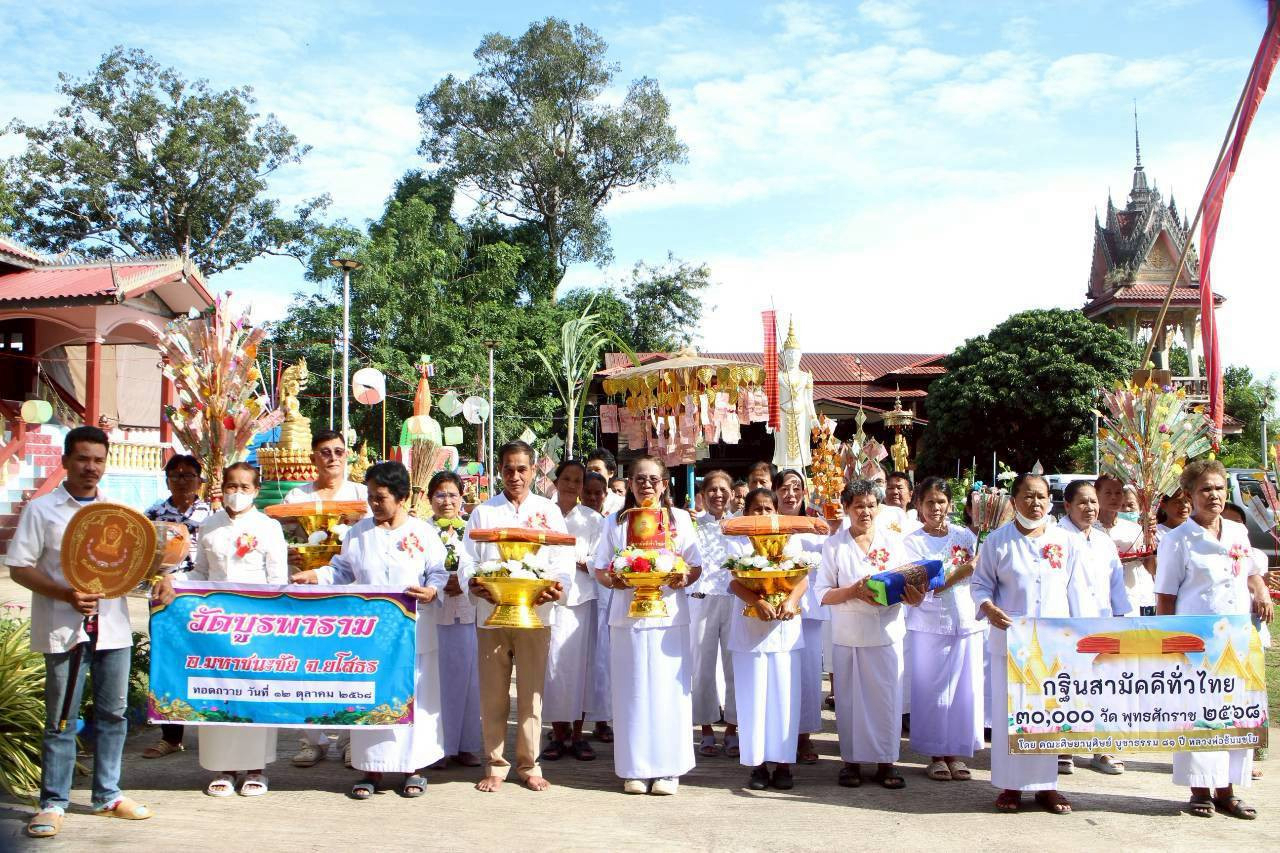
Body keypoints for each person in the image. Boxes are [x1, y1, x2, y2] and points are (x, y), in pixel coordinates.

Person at [10, 427, 152, 838]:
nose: (91, 468)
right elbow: (19, 566)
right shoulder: (41, 510)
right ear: (66, 461)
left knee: (114, 714)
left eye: (99, 460)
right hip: (64, 628)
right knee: (60, 719)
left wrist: (158, 575)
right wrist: (65, 593)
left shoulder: (120, 511)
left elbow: (134, 568)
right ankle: (52, 802)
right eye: (83, 459)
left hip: (112, 630)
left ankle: (107, 795)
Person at [291, 462, 447, 798]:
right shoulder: (358, 533)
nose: (373, 504)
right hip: (370, 639)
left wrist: (433, 590)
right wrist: (314, 575)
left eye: (380, 498)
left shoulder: (424, 533)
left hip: (413, 636)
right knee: (371, 700)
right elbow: (342, 571)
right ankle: (371, 771)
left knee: (414, 701)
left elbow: (438, 573)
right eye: (370, 497)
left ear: (402, 497)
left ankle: (413, 770)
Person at [154, 463, 286, 797]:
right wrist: (175, 580)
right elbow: (201, 572)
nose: (236, 492)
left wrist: (269, 620)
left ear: (256, 491)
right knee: (219, 694)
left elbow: (278, 581)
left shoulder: (269, 528)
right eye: (231, 485)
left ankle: (256, 769)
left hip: (257, 626)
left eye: (244, 487)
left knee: (254, 696)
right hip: (216, 628)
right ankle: (223, 768)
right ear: (221, 487)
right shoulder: (209, 525)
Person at [971, 472, 1096, 815]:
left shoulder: (1065, 540)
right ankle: (1011, 786)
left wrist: (1082, 638)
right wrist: (988, 608)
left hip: (1054, 647)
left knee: (1048, 716)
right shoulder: (997, 541)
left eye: (1042, 496)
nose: (1036, 503)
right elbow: (980, 585)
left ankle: (1046, 786)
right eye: (1028, 496)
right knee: (1012, 715)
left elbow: (1077, 591)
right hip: (1010, 642)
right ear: (1014, 501)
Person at [1155, 458, 1273, 820]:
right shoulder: (1177, 540)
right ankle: (1199, 789)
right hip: (1194, 643)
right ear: (1189, 495)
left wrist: (1262, 592)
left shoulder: (1238, 531)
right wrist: (1169, 643)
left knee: (1234, 712)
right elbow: (1165, 598)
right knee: (1198, 715)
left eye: (1219, 488)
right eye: (1205, 489)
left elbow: (1252, 572)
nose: (1214, 495)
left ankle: (1228, 790)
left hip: (1237, 639)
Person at [460, 441, 570, 792]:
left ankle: (529, 763)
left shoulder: (548, 511)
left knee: (531, 691)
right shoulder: (484, 512)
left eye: (522, 468)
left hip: (536, 612)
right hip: (491, 612)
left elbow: (562, 561)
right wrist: (472, 583)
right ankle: (495, 763)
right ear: (499, 470)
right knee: (492, 692)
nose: (515, 476)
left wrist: (558, 587)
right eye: (508, 469)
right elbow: (467, 559)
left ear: (535, 470)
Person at [593, 456, 702, 796]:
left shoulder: (680, 519)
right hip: (627, 616)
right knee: (633, 691)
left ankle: (669, 769)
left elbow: (695, 564)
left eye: (653, 479)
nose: (646, 485)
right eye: (640, 479)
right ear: (630, 482)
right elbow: (600, 568)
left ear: (665, 483)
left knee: (670, 693)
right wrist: (616, 581)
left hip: (669, 617)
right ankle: (634, 768)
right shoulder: (615, 521)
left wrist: (684, 577)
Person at [283, 428, 369, 768]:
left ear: (346, 455)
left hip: (348, 592)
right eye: (325, 452)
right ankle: (311, 740)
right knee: (305, 665)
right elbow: (284, 539)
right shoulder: (295, 498)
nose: (332, 458)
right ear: (313, 458)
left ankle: (350, 740)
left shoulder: (362, 495)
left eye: (338, 451)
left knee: (349, 665)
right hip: (308, 590)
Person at [815, 479, 908, 791]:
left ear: (878, 508)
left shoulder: (894, 542)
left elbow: (907, 582)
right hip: (849, 634)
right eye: (858, 506)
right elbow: (823, 593)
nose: (865, 512)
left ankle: (886, 763)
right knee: (850, 701)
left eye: (870, 505)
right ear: (846, 509)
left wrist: (913, 592)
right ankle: (851, 763)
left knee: (886, 699)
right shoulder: (834, 545)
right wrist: (854, 591)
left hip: (886, 632)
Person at [900, 476, 982, 783]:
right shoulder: (911, 541)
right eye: (930, 502)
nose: (936, 508)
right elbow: (918, 583)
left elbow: (978, 575)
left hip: (965, 620)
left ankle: (956, 753)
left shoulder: (965, 535)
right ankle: (935, 754)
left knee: (964, 690)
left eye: (941, 502)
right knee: (933, 690)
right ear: (919, 505)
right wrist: (963, 570)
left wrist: (973, 569)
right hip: (928, 623)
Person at [727, 488, 806, 790]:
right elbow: (732, 581)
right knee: (753, 700)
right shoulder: (736, 539)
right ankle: (757, 765)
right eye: (756, 509)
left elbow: (804, 577)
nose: (762, 515)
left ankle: (784, 764)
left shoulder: (791, 536)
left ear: (777, 511)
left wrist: (791, 600)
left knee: (784, 699)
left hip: (785, 628)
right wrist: (756, 602)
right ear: (746, 512)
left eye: (768, 508)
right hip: (750, 631)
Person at [1054, 480, 1133, 777]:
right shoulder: (1055, 537)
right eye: (1083, 502)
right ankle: (1063, 747)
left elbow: (1115, 585)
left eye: (1093, 502)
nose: (1090, 508)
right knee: (1066, 687)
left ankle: (1103, 748)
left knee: (1103, 688)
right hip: (1067, 626)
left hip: (1102, 626)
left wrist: (1120, 618)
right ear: (1069, 505)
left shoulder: (1103, 540)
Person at [140, 453, 212, 759]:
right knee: (169, 663)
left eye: (188, 475)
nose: (182, 481)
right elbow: (141, 554)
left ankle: (213, 735)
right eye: (176, 475)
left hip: (202, 597)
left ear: (200, 480)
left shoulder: (213, 513)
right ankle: (171, 736)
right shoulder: (154, 513)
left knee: (209, 662)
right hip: (164, 596)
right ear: (167, 479)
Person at [542, 460, 603, 762]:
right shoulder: (542, 514)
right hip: (548, 598)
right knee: (553, 670)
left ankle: (579, 735)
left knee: (581, 669)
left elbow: (600, 560)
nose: (571, 484)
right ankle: (558, 733)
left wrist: (580, 561)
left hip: (581, 601)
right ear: (556, 480)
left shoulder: (593, 519)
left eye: (577, 480)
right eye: (566, 478)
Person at [426, 470, 483, 769]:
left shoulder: (471, 531)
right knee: (438, 683)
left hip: (466, 611)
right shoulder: (421, 532)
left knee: (469, 681)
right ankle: (438, 747)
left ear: (462, 498)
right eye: (440, 494)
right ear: (429, 498)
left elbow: (479, 564)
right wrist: (438, 584)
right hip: (434, 613)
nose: (446, 501)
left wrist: (461, 581)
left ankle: (466, 745)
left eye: (452, 495)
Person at [773, 468, 823, 765]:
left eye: (796, 488)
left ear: (804, 492)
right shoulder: (767, 523)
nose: (790, 494)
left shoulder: (816, 525)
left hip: (809, 610)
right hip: (773, 607)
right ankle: (777, 735)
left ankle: (803, 736)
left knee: (807, 676)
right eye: (784, 488)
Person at [690, 470, 740, 757]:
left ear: (731, 494)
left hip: (734, 601)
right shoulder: (694, 526)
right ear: (703, 495)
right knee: (702, 667)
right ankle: (706, 728)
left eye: (723, 490)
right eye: (712, 490)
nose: (718, 495)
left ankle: (733, 727)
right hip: (702, 600)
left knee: (734, 667)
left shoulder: (741, 527)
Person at [581, 471, 615, 744]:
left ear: (605, 496)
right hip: (578, 601)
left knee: (603, 661)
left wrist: (588, 564)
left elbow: (611, 561)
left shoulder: (611, 524)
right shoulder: (571, 520)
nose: (593, 498)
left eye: (598, 493)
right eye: (588, 492)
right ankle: (570, 721)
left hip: (605, 599)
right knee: (579, 663)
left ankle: (603, 719)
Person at [1095, 474, 1151, 616]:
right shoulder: (1088, 529)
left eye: (1118, 493)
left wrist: (1150, 539)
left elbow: (1149, 566)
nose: (1114, 497)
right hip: (1099, 599)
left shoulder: (1134, 529)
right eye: (1108, 493)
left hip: (1131, 596)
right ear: (1096, 494)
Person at [586, 448, 626, 516]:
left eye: (597, 470)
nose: (592, 474)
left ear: (611, 473)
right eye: (589, 470)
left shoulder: (622, 504)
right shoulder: (580, 501)